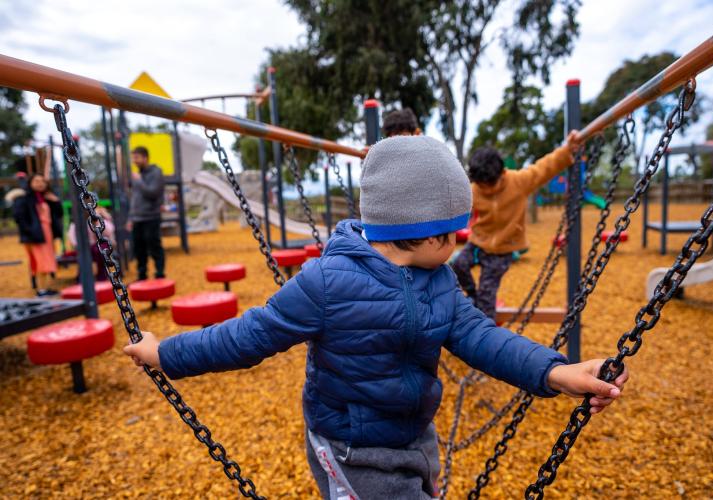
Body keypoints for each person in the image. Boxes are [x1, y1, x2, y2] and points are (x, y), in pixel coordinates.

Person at [123, 136, 627, 500]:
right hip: (350, 447)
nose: (459, 243)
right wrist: (163, 353)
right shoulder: (326, 282)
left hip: (414, 435)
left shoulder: (441, 280)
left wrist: (557, 371)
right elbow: (250, 335)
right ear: (425, 232)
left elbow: (483, 338)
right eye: (453, 233)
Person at [451, 136, 581, 318]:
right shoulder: (473, 190)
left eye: (490, 185)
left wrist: (567, 150)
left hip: (504, 249)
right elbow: (453, 204)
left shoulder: (518, 182)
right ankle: (472, 296)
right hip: (478, 243)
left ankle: (485, 333)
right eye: (482, 186)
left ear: (502, 173)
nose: (486, 190)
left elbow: (543, 168)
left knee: (487, 295)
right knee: (458, 265)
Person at [12, 173, 63, 296]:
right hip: (36, 235)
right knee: (41, 261)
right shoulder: (25, 198)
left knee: (47, 260)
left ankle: (44, 287)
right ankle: (41, 289)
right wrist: (30, 231)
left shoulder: (46, 198)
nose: (40, 183)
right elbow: (20, 218)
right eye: (36, 181)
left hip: (47, 233)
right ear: (30, 183)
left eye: (42, 181)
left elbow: (58, 214)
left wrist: (56, 201)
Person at [128, 146, 165, 281]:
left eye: (137, 157)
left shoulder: (156, 172)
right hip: (137, 218)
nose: (134, 161)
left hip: (151, 216)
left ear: (145, 158)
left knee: (154, 245)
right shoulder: (138, 175)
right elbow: (134, 199)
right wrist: (130, 218)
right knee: (139, 248)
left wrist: (138, 181)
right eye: (133, 158)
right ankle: (142, 275)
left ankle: (160, 273)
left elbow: (153, 193)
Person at [67, 206, 115, 281]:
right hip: (84, 248)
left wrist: (98, 220)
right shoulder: (76, 223)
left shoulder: (97, 220)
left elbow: (109, 231)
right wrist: (78, 245)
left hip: (96, 247)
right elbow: (72, 237)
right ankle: (83, 277)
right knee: (87, 253)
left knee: (99, 250)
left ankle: (101, 275)